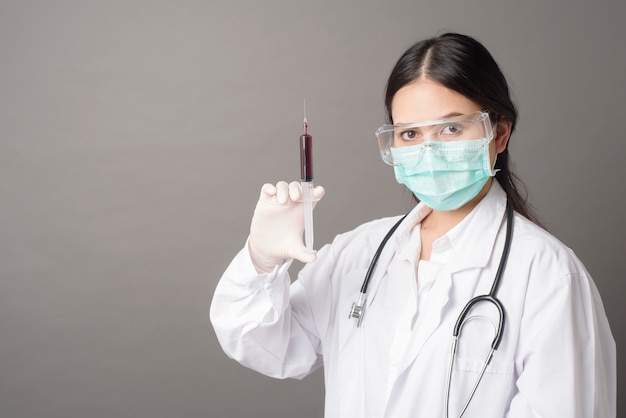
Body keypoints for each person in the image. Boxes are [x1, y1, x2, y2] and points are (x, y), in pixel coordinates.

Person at [210, 33, 616, 417]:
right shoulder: (357, 255)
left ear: (500, 133)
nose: (428, 150)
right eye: (409, 133)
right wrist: (261, 260)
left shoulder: (548, 276)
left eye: (451, 128)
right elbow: (266, 346)